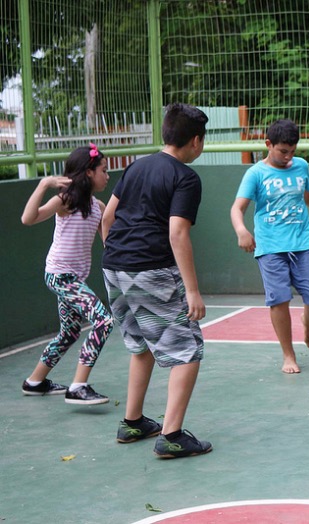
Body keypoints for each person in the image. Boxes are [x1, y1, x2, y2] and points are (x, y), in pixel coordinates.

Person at [102, 103, 212, 459]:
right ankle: (172, 435)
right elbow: (177, 233)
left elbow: (108, 216)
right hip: (150, 268)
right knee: (187, 350)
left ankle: (132, 422)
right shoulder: (185, 177)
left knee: (141, 345)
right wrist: (192, 290)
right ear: (195, 141)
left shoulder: (136, 166)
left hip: (113, 266)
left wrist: (120, 257)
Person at [230, 119, 309, 374]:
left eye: (292, 151)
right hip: (270, 247)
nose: (288, 157)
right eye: (282, 151)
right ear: (268, 144)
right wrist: (241, 230)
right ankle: (288, 355)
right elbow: (237, 208)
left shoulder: (301, 166)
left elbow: (307, 196)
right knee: (279, 299)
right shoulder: (255, 174)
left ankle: (307, 321)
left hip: (302, 242)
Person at [20, 144, 113, 405]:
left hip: (74, 280)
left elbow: (110, 243)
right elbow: (28, 219)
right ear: (88, 173)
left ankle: (35, 382)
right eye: (103, 170)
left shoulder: (98, 207)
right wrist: (43, 185)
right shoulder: (65, 201)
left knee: (70, 332)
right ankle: (78, 386)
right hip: (60, 276)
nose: (107, 176)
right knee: (103, 321)